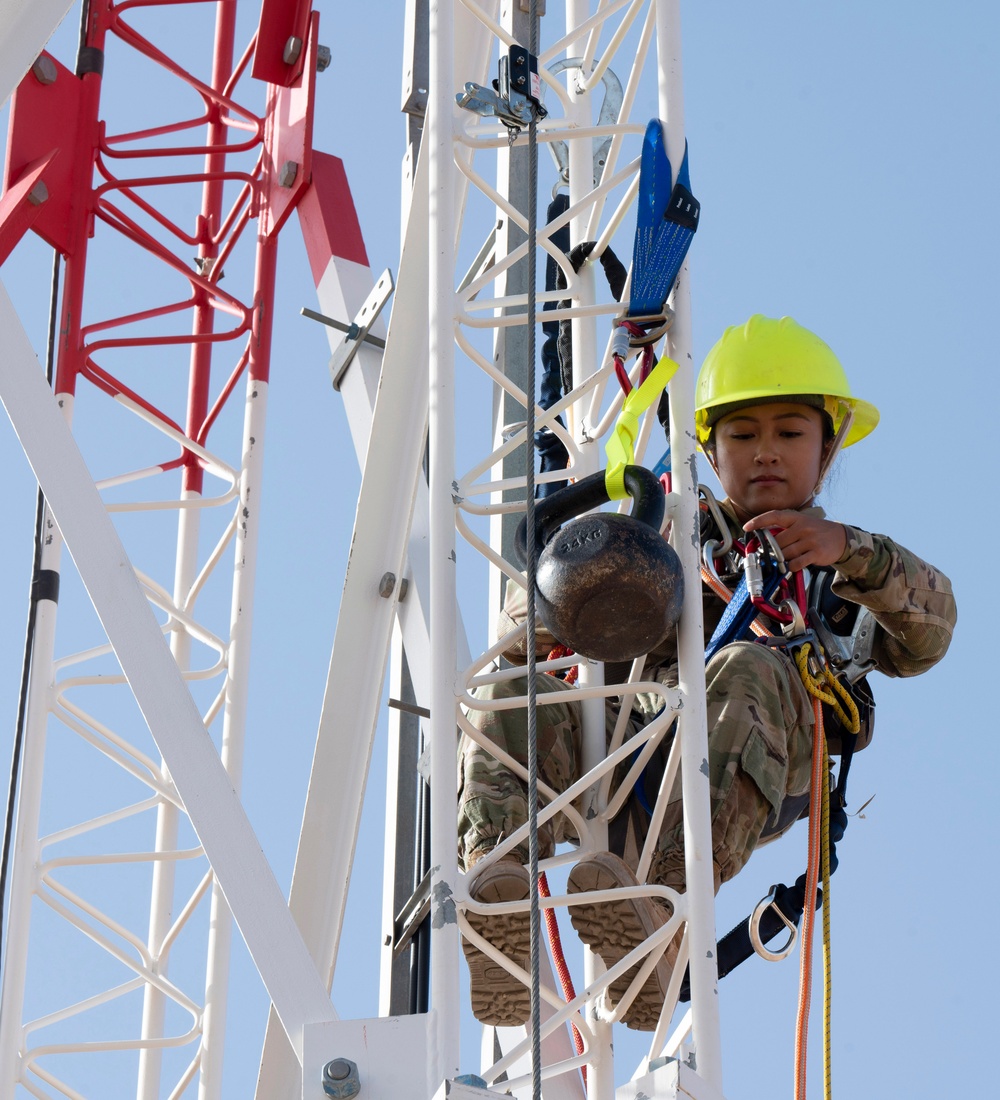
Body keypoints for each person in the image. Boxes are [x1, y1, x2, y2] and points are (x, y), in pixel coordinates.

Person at [458, 314, 956, 1030]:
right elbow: (528, 626)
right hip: (622, 746)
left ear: (827, 446)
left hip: (752, 762)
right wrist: (584, 595)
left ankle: (659, 919)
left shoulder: (842, 576)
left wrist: (849, 550)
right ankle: (497, 884)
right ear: (710, 450)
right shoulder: (660, 531)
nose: (765, 454)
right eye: (742, 435)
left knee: (749, 665)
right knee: (510, 691)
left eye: (789, 433)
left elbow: (930, 635)